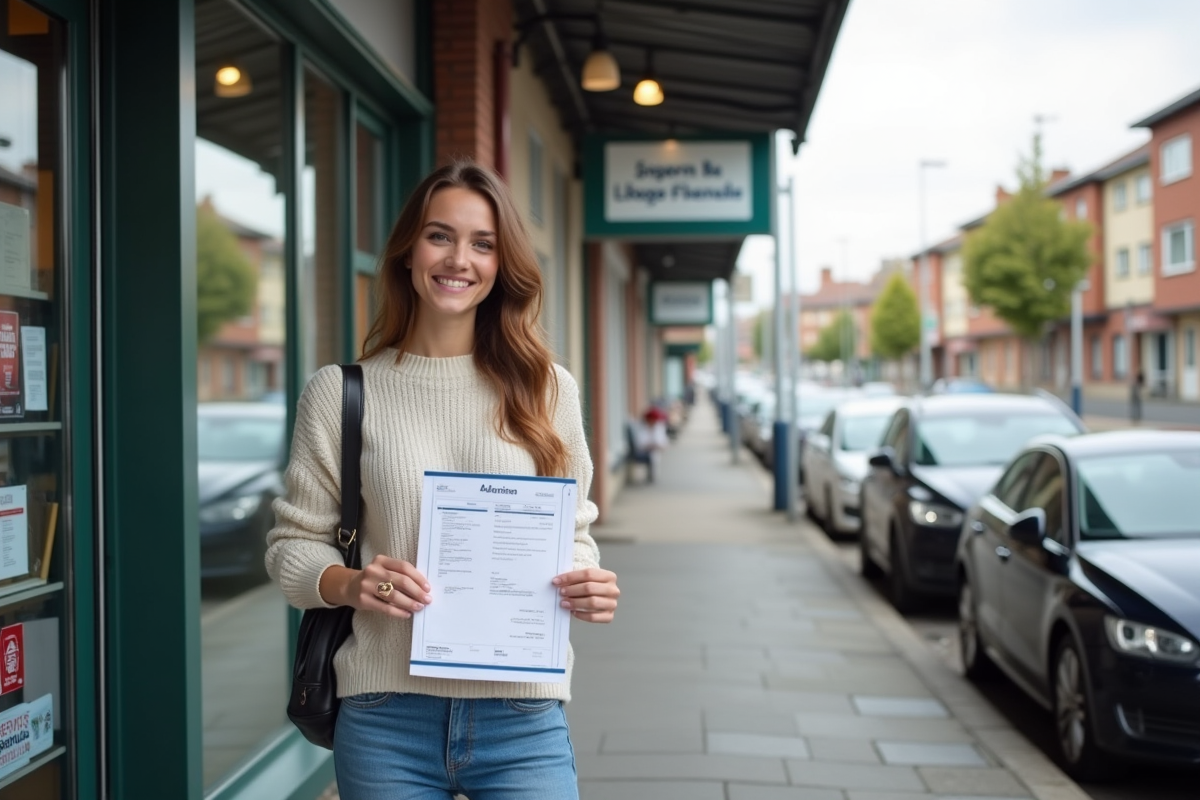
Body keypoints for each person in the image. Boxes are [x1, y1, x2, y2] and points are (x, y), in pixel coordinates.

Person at [265, 160, 620, 800]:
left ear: (500, 264)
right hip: (384, 715)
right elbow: (292, 546)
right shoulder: (342, 393)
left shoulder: (548, 391)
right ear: (407, 252)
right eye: (440, 236)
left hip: (521, 716)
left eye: (483, 243)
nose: (460, 258)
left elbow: (574, 533)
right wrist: (348, 581)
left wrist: (584, 582)